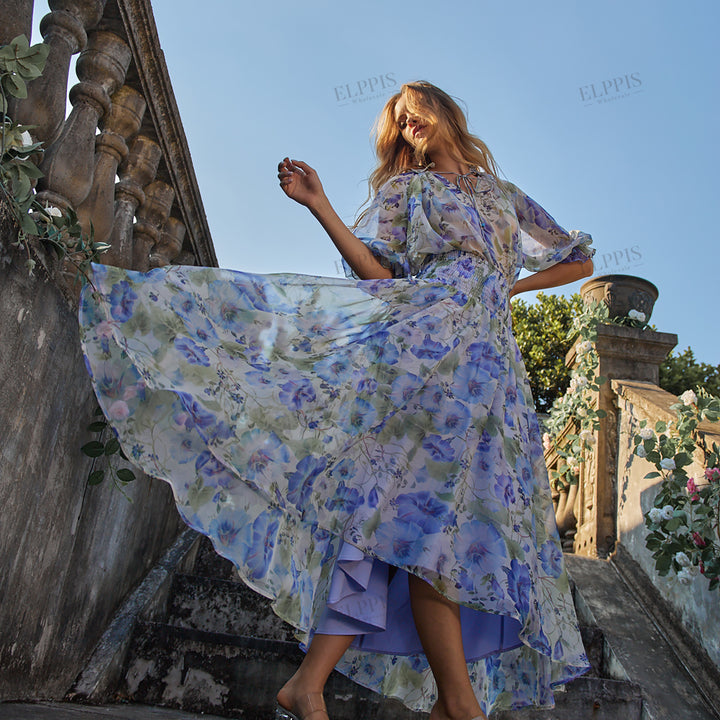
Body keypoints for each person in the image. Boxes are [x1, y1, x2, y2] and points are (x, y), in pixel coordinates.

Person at [79, 81, 594, 720]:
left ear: (443, 109)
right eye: (399, 122)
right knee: (421, 517)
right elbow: (378, 274)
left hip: (492, 373)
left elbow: (578, 261)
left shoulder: (503, 194)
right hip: (424, 353)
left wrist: (506, 287)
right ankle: (452, 704)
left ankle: (327, 684)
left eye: (415, 111)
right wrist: (319, 204)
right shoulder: (408, 192)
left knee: (419, 521)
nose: (408, 124)